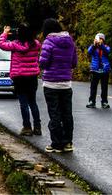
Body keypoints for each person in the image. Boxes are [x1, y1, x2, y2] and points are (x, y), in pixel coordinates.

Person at [39, 18, 77, 153]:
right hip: (66, 84)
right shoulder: (70, 41)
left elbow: (43, 63)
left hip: (51, 84)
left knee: (54, 114)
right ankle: (68, 143)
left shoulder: (48, 42)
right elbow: (74, 63)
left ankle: (56, 144)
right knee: (67, 114)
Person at [0, 23, 42, 136]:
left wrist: (5, 33)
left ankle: (27, 127)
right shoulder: (36, 44)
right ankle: (37, 127)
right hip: (32, 77)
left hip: (19, 77)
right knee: (33, 102)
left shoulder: (15, 44)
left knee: (23, 103)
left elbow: (1, 44)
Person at [87, 32, 111, 109]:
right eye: (98, 39)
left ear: (103, 40)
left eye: (100, 39)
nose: (99, 41)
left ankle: (104, 102)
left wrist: (101, 45)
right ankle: (92, 102)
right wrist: (94, 45)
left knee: (104, 87)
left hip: (104, 70)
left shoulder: (106, 47)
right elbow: (89, 51)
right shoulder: (93, 47)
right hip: (95, 69)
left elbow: (107, 51)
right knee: (93, 87)